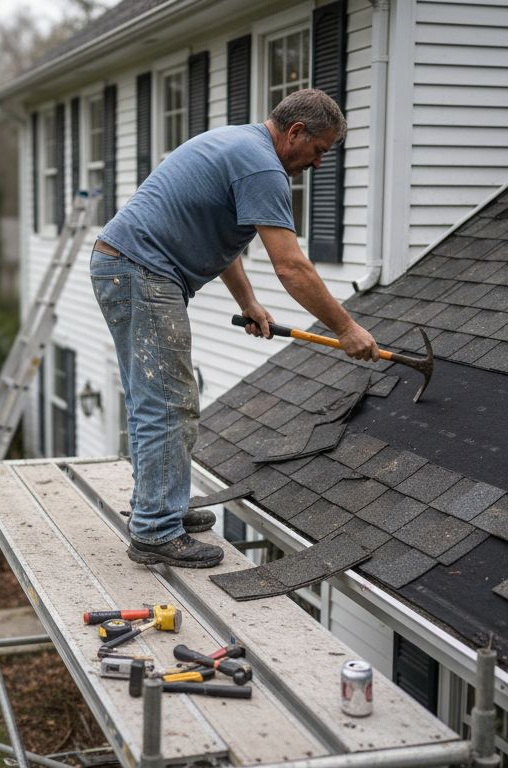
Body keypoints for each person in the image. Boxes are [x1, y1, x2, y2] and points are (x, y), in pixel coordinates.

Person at [91, 87, 380, 569]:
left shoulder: (244, 147)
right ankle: (155, 530)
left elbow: (222, 239)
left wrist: (249, 302)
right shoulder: (262, 166)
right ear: (295, 132)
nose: (319, 163)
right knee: (166, 400)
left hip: (132, 267)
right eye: (320, 150)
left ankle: (164, 507)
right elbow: (292, 267)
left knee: (160, 396)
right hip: (140, 271)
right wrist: (346, 327)